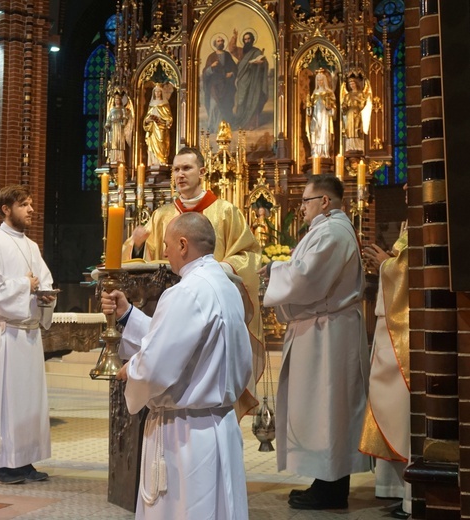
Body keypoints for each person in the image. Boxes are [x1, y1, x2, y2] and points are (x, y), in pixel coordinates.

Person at [102, 212, 252, 519]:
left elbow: (156, 365)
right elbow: (179, 343)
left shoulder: (184, 292)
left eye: (168, 245)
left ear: (183, 245)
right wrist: (128, 314)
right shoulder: (226, 287)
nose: (165, 253)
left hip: (184, 436)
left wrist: (132, 370)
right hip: (218, 425)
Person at [122, 146, 264, 420]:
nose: (179, 175)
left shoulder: (225, 212)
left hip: (209, 310)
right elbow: (145, 261)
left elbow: (249, 254)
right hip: (170, 310)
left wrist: (222, 267)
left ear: (202, 172)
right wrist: (137, 246)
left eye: (186, 168)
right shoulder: (162, 215)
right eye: (175, 169)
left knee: (204, 379)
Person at [260, 175, 370, 510]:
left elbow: (307, 277)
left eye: (306, 201)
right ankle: (326, 482)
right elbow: (303, 270)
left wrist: (274, 271)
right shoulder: (328, 230)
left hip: (330, 333)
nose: (302, 208)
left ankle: (332, 489)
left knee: (329, 408)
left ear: (325, 201)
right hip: (323, 328)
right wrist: (280, 268)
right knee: (324, 408)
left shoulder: (333, 232)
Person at [0, 184, 57, 484]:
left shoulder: (31, 246)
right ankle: (0, 464)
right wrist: (25, 286)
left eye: (31, 204)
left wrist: (44, 296)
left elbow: (43, 280)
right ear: (6, 209)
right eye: (24, 205)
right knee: (6, 400)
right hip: (6, 336)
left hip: (28, 336)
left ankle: (24, 460)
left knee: (28, 401)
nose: (32, 210)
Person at [360, 185, 411, 519]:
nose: (406, 186)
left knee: (400, 407)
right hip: (389, 326)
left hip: (402, 330)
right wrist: (387, 263)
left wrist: (385, 264)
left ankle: (412, 495)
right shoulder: (411, 221)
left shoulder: (425, 219)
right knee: (387, 404)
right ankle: (399, 490)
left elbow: (410, 269)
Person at [229, 29, 268, 130]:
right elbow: (232, 49)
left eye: (249, 39)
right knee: (241, 101)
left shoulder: (257, 51)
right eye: (245, 39)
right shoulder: (242, 51)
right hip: (242, 80)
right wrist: (234, 37)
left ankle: (251, 124)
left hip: (253, 81)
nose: (247, 41)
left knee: (252, 99)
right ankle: (240, 122)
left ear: (252, 40)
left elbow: (264, 62)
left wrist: (260, 63)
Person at [202, 34, 237, 131]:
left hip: (226, 86)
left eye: (222, 41)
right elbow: (205, 73)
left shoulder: (227, 55)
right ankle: (212, 127)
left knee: (226, 105)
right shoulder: (211, 57)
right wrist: (211, 66)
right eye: (218, 41)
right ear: (215, 44)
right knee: (214, 106)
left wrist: (232, 73)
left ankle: (225, 128)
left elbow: (234, 68)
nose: (220, 42)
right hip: (214, 86)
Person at [306, 69, 336, 158]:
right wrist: (308, 108)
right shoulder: (314, 93)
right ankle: (315, 152)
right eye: (318, 80)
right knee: (314, 131)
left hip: (325, 116)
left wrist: (330, 108)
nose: (320, 82)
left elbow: (334, 109)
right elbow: (310, 111)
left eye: (321, 80)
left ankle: (325, 152)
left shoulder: (329, 93)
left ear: (325, 80)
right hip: (316, 116)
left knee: (324, 131)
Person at [143, 83, 173, 167]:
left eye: (159, 92)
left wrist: (166, 121)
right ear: (154, 93)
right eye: (156, 92)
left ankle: (162, 161)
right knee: (152, 145)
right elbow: (146, 118)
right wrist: (147, 120)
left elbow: (169, 117)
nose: (157, 93)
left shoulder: (164, 105)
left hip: (161, 128)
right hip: (152, 129)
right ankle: (153, 161)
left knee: (161, 142)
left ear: (161, 93)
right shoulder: (151, 105)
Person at [341, 75, 372, 153]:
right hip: (349, 113)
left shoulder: (360, 93)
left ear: (356, 84)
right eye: (350, 84)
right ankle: (351, 145)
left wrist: (357, 99)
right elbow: (344, 104)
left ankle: (357, 144)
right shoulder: (348, 95)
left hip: (357, 112)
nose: (352, 86)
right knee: (349, 129)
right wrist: (344, 107)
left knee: (356, 128)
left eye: (353, 84)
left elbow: (363, 104)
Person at [104, 91, 133, 165]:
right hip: (113, 128)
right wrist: (107, 125)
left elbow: (125, 117)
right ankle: (113, 158)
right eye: (115, 99)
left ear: (120, 100)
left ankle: (120, 158)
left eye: (118, 99)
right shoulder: (112, 109)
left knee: (119, 142)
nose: (117, 101)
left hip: (120, 128)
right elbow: (109, 119)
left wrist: (123, 123)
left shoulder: (122, 109)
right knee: (113, 143)